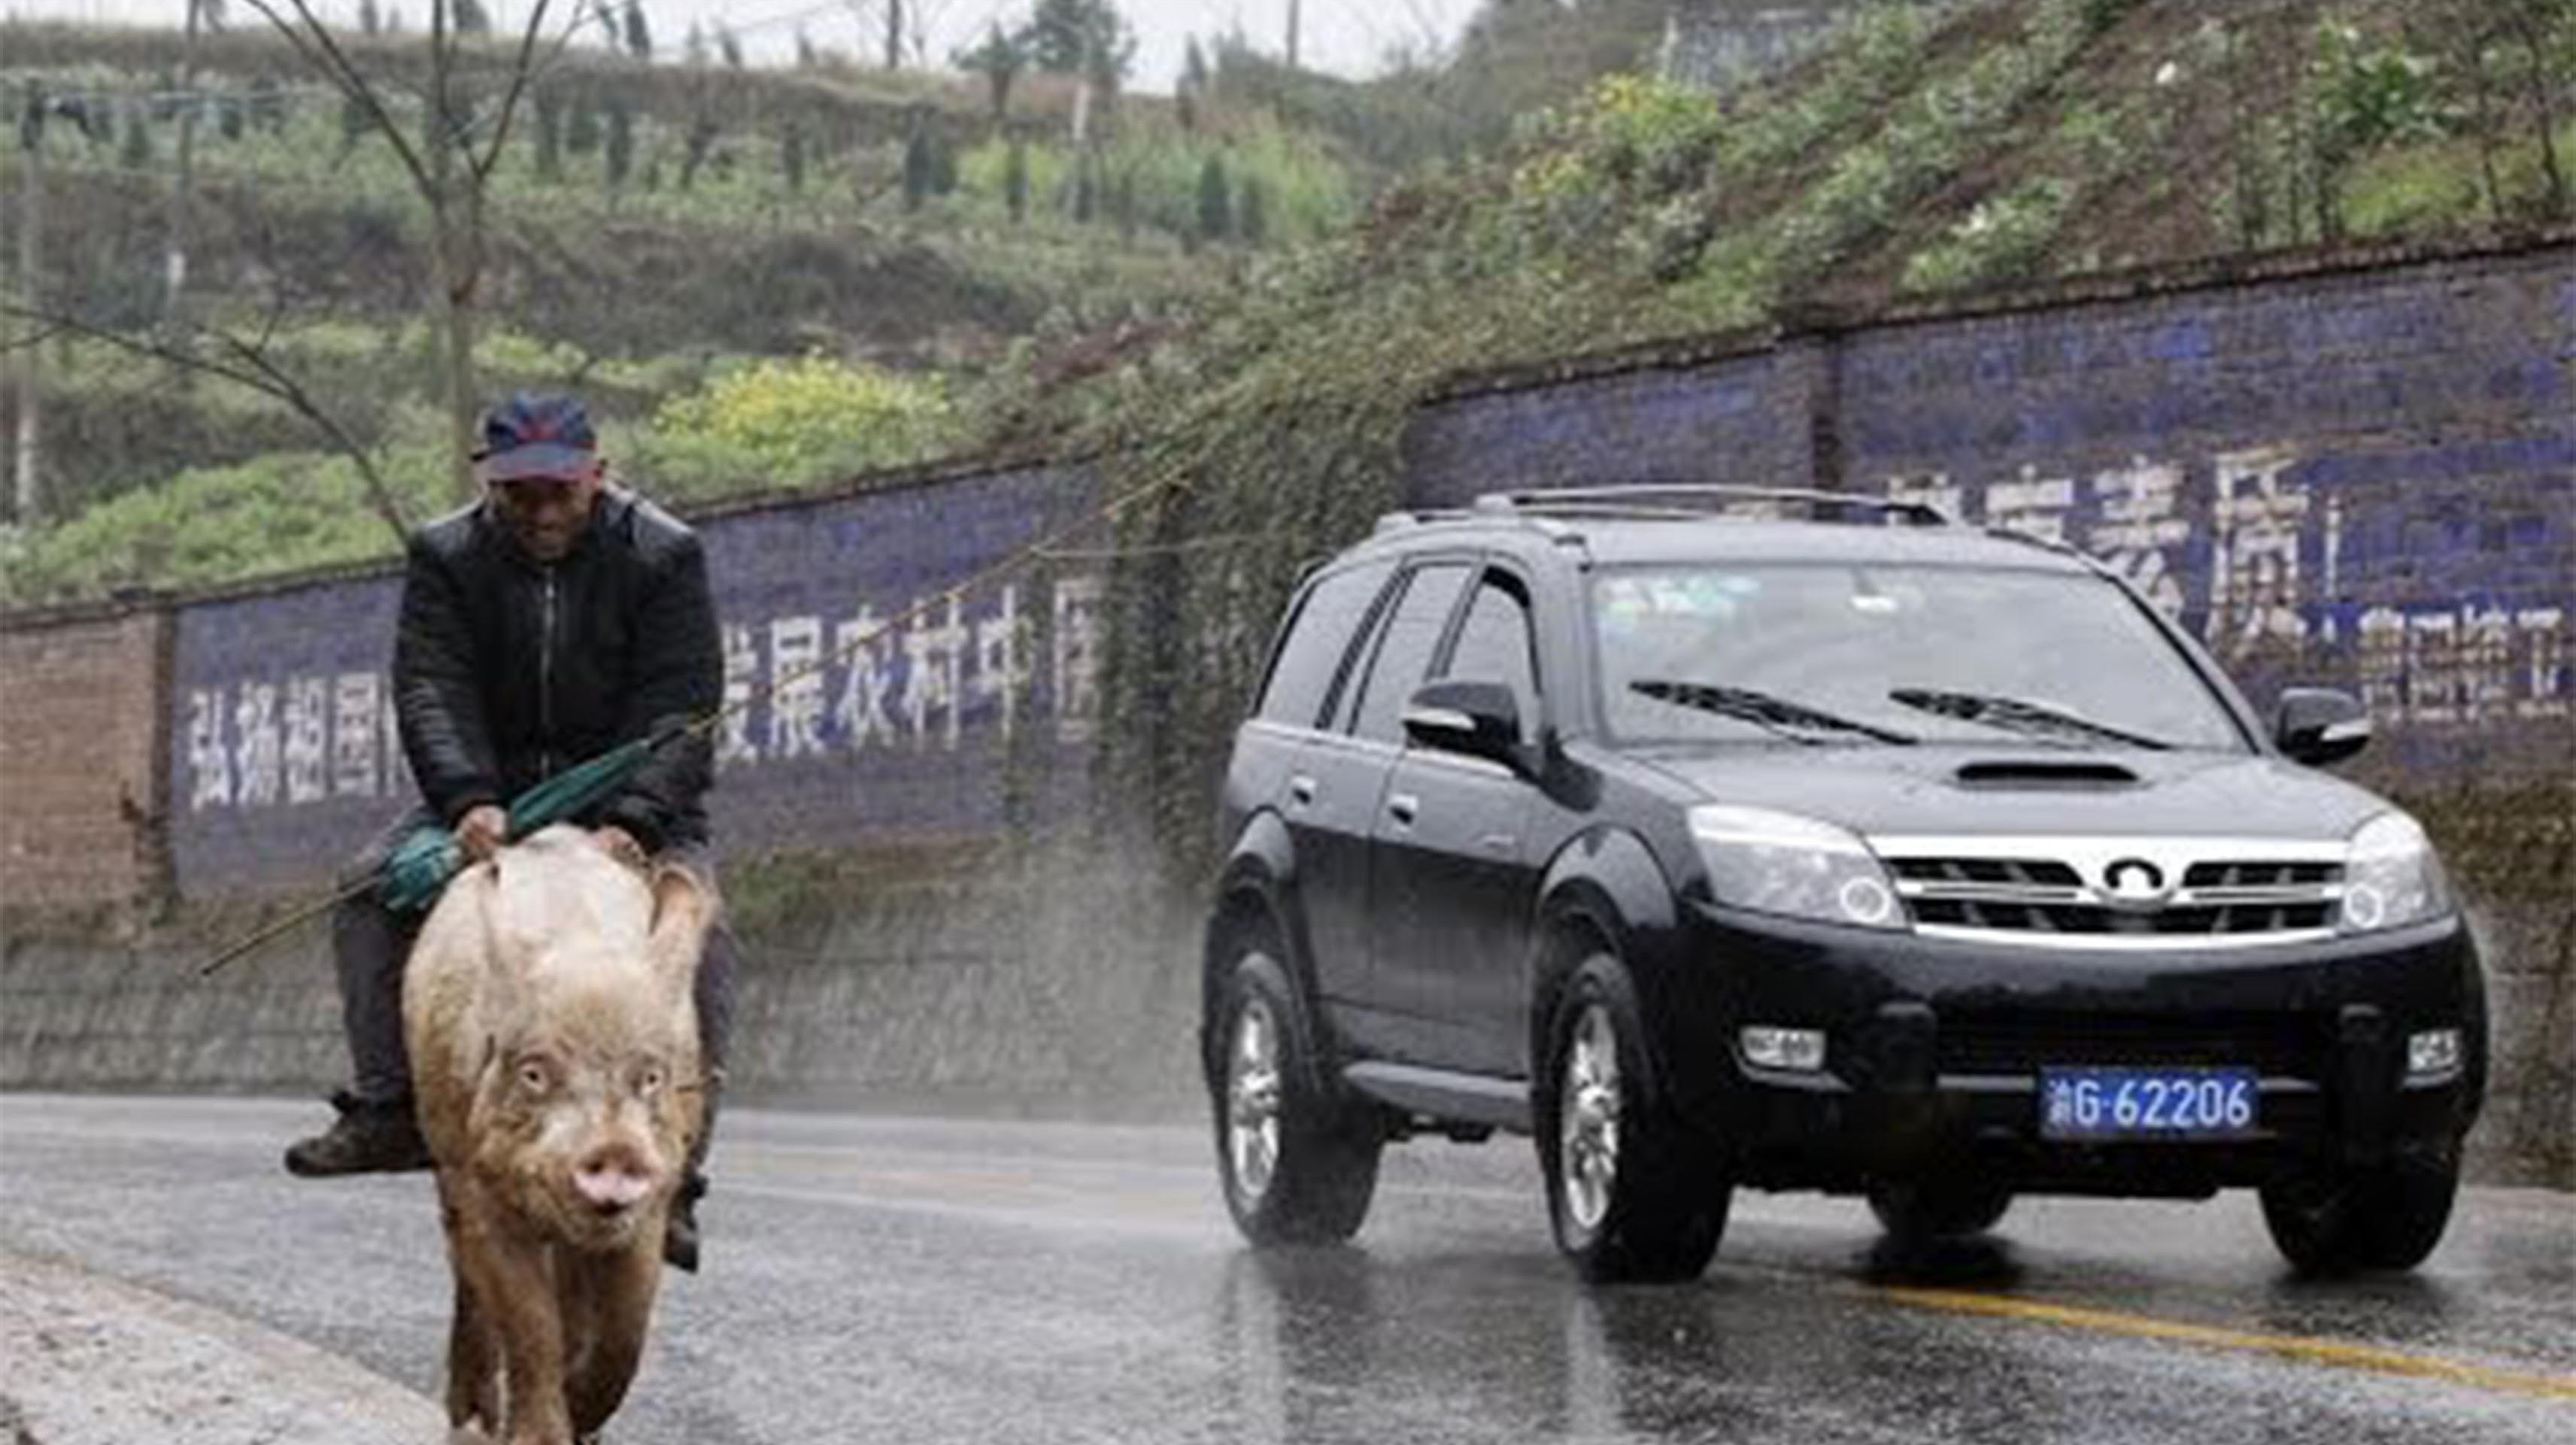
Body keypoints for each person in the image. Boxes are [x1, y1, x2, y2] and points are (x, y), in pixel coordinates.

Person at [283, 393, 737, 1273]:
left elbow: (684, 709)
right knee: (369, 891)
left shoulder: (664, 554)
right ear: (487, 483)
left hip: (634, 804)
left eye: (558, 492)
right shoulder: (445, 555)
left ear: (595, 477)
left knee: (706, 942)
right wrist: (466, 797)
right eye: (519, 494)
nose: (540, 513)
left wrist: (635, 821)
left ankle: (676, 1174)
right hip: (497, 803)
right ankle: (388, 1107)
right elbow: (430, 686)